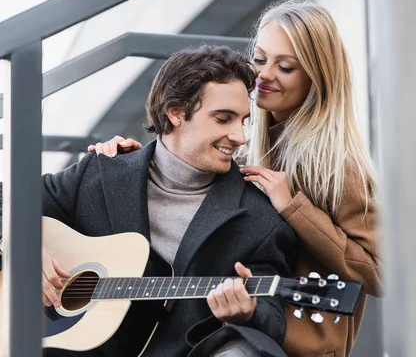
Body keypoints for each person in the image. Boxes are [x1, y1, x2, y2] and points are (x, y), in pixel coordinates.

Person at [91, 0, 381, 357]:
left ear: (315, 77)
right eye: (259, 60)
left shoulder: (337, 163)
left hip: (295, 344)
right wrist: (139, 165)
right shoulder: (246, 145)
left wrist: (295, 208)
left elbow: (380, 272)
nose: (263, 75)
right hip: (228, 329)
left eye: (286, 66)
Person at [1, 45, 298, 357]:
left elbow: (273, 317)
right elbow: (5, 200)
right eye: (224, 118)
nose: (240, 136)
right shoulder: (100, 174)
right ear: (175, 112)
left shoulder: (258, 219)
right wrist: (23, 244)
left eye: (243, 120)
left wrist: (248, 312)